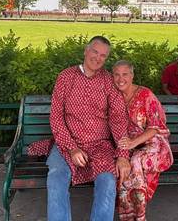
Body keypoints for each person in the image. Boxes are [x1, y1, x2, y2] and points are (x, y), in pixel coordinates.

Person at [27, 36, 131, 221]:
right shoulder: (66, 77)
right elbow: (56, 117)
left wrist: (123, 154)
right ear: (86, 50)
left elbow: (118, 119)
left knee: (107, 181)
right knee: (56, 179)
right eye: (95, 52)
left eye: (103, 56)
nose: (98, 58)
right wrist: (72, 147)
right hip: (68, 145)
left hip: (100, 145)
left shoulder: (108, 81)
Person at [112, 60, 173, 221]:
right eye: (116, 75)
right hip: (129, 146)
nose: (120, 79)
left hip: (154, 143)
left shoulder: (145, 94)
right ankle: (129, 215)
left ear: (132, 75)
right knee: (123, 167)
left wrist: (133, 143)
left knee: (136, 161)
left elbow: (154, 128)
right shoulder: (113, 96)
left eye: (125, 74)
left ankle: (139, 216)